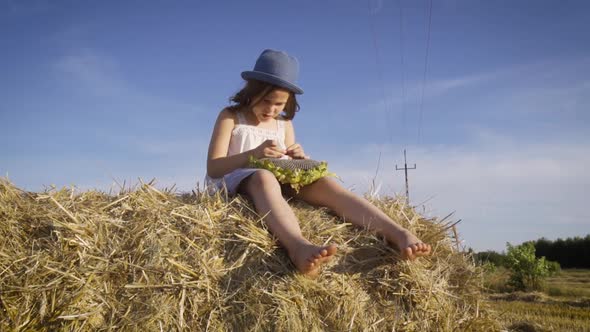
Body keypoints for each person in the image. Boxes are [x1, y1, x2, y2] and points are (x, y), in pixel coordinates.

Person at [206, 49, 431, 278]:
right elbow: (214, 167)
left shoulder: (284, 125)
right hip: (237, 179)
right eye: (266, 101)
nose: (272, 109)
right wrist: (253, 155)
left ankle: (398, 233)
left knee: (327, 183)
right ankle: (297, 246)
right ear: (251, 91)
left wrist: (296, 159)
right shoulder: (231, 116)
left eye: (280, 104)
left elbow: (284, 163)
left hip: (278, 179)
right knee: (263, 177)